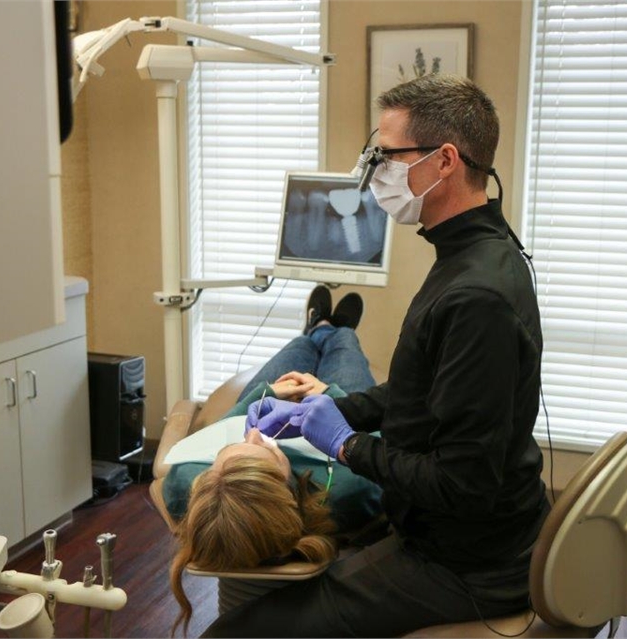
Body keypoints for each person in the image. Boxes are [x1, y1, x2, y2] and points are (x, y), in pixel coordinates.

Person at [203, 74, 549, 638]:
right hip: (460, 535)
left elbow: (464, 486)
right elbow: (428, 392)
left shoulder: (476, 295)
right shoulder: (472, 256)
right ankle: (330, 332)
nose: (374, 174)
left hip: (466, 567)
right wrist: (341, 410)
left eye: (387, 156)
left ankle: (329, 331)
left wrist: (345, 443)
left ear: (444, 162)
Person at [164, 288, 385, 635]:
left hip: (273, 404)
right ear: (289, 490)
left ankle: (315, 329)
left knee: (298, 351)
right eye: (266, 450)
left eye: (231, 447)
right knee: (345, 349)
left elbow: (223, 431)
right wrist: (328, 397)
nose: (253, 435)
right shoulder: (348, 490)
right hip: (337, 419)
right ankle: (337, 329)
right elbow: (376, 444)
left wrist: (262, 399)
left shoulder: (184, 486)